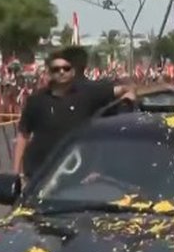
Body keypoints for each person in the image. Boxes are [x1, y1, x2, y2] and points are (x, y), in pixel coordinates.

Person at [13, 51, 135, 181]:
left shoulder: (89, 94)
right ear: (49, 73)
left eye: (66, 68)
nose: (61, 72)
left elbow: (127, 89)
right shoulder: (36, 100)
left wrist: (128, 100)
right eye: (56, 69)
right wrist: (15, 173)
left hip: (78, 176)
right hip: (39, 173)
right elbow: (23, 135)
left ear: (73, 71)